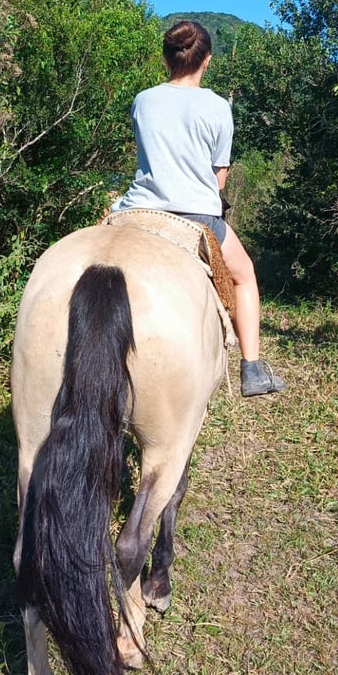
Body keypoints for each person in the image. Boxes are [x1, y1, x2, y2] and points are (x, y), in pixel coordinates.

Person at [112, 20, 287, 397]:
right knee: (245, 276)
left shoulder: (144, 99)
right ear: (206, 59)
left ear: (166, 58)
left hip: (137, 208)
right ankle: (252, 369)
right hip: (196, 215)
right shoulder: (217, 106)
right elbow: (218, 181)